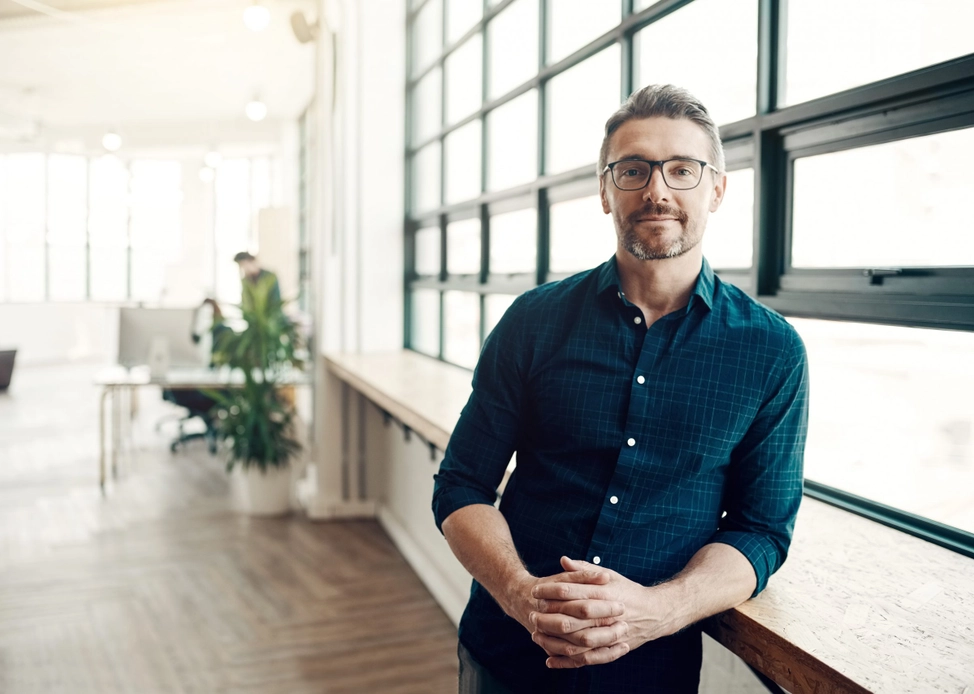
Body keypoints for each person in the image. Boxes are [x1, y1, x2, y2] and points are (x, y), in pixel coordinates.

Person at [431, 84, 809, 694]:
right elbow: (461, 485)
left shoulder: (771, 351)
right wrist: (520, 593)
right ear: (606, 192)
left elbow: (762, 529)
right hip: (507, 654)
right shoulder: (533, 321)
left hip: (650, 673)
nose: (657, 190)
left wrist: (661, 610)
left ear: (717, 189)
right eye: (633, 170)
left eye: (682, 170)